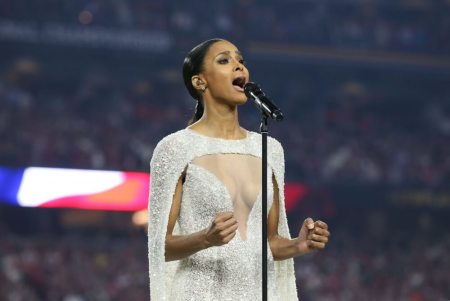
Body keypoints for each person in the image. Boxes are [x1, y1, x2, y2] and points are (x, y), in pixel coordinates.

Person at [147, 38, 330, 300]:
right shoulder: (175, 148)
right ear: (200, 82)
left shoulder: (270, 150)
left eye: (240, 61)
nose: (238, 66)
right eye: (224, 60)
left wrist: (298, 245)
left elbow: (269, 243)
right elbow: (158, 246)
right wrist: (205, 239)